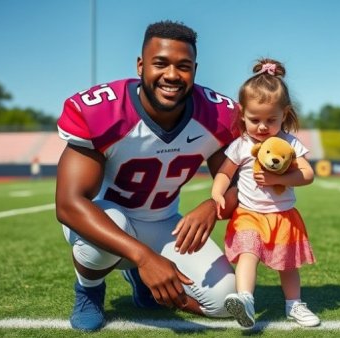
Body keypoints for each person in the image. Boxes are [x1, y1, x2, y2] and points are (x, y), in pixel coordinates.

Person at [55, 20, 240, 332]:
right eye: (160, 63)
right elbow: (69, 204)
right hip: (104, 220)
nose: (171, 75)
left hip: (164, 222)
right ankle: (89, 290)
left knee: (225, 300)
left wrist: (213, 205)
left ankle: (145, 285)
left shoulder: (218, 115)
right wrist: (144, 258)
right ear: (141, 65)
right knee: (108, 230)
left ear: (194, 69)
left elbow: (239, 184)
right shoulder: (104, 112)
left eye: (183, 66)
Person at [211, 58, 320, 328]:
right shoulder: (241, 145)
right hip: (248, 214)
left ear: (285, 114)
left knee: (287, 266)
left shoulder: (290, 142)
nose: (262, 126)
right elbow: (225, 171)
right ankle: (245, 300)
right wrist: (217, 192)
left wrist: (277, 177)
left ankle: (294, 304)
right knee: (248, 253)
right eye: (254, 119)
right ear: (242, 115)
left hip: (282, 216)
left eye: (271, 119)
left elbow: (307, 174)